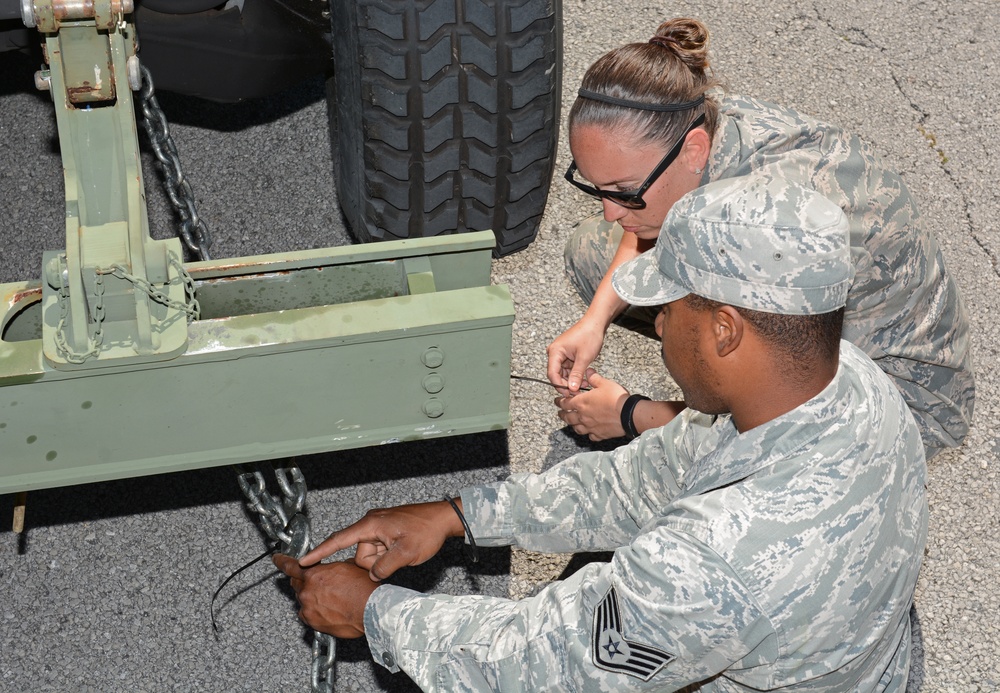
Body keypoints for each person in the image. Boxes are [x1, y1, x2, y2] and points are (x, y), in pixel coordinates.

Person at [274, 175, 928, 692]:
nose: (659, 324)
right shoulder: (849, 379)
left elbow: (536, 667)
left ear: (725, 329)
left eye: (670, 307)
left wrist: (375, 613)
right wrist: (461, 515)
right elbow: (643, 480)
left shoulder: (721, 560)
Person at [547, 17, 973, 458]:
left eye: (625, 192)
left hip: (904, 405)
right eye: (599, 189)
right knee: (592, 251)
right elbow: (645, 218)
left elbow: (779, 408)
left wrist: (629, 414)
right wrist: (594, 322)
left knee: (708, 365)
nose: (611, 212)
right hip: (804, 334)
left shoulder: (774, 228)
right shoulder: (692, 120)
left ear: (693, 150)